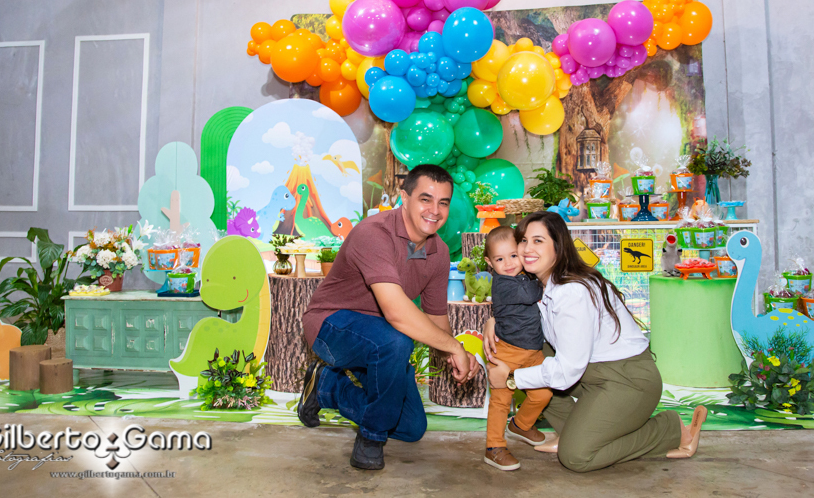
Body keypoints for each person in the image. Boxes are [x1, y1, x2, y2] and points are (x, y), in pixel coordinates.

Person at [484, 211, 707, 473]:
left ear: (558, 246)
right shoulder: (540, 282)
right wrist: (494, 320)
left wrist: (511, 378)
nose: (527, 249)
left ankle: (668, 430)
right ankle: (580, 431)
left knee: (576, 456)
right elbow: (526, 322)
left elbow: (567, 371)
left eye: (538, 241)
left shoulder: (573, 291)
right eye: (523, 240)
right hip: (593, 370)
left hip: (629, 380)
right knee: (531, 351)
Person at [298, 164, 479, 471]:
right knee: (396, 340)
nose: (435, 211)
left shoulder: (438, 253)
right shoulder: (373, 233)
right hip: (332, 326)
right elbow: (396, 312)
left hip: (382, 340)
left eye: (443, 202)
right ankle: (371, 437)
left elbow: (436, 317)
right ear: (404, 198)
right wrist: (453, 347)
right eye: (425, 199)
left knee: (411, 427)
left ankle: (327, 386)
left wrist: (456, 353)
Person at [480, 225, 553, 471]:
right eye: (500, 259)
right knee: (501, 401)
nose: (509, 263)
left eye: (513, 255)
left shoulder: (522, 276)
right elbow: (531, 293)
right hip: (507, 351)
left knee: (543, 394)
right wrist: (544, 275)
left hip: (533, 351)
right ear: (490, 262)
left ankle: (520, 425)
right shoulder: (503, 284)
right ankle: (494, 447)